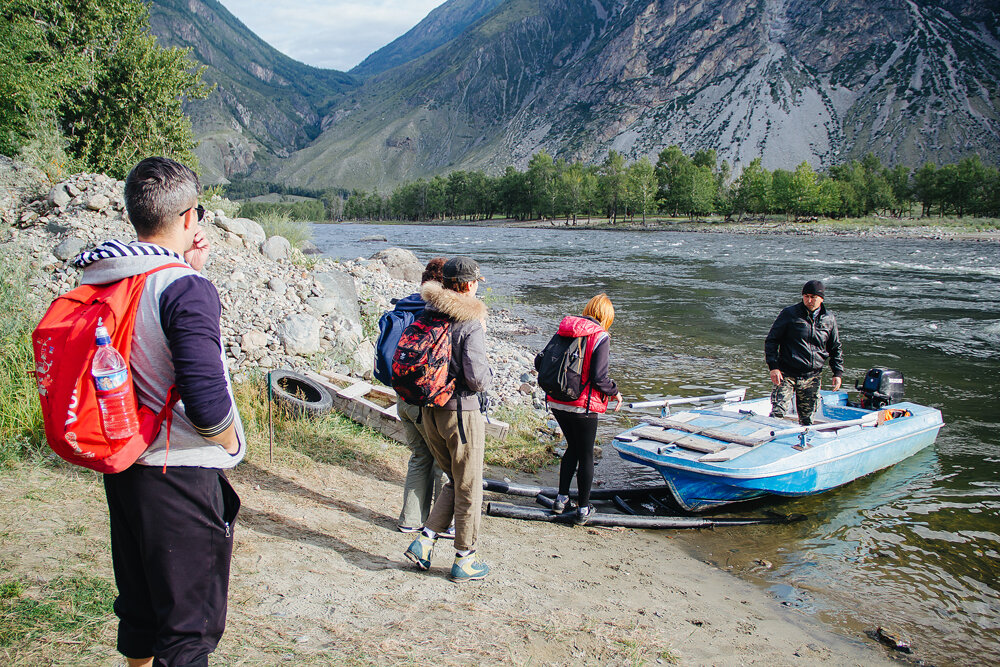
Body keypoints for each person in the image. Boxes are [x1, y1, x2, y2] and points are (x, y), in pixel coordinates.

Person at [73, 156, 244, 667]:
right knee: (188, 632)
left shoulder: (111, 276)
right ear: (190, 217)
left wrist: (189, 271)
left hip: (126, 464)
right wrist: (230, 441)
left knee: (142, 610)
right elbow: (206, 403)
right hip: (180, 473)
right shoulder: (183, 289)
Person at [404, 256, 492, 582]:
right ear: (469, 285)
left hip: (430, 412)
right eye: (477, 282)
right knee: (469, 486)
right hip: (462, 414)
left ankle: (424, 543)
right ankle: (465, 558)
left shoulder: (429, 313)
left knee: (455, 481)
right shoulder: (470, 322)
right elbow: (478, 378)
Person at [536, 293, 623, 525]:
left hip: (556, 400)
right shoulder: (600, 336)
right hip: (581, 404)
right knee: (585, 454)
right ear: (606, 316)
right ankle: (583, 509)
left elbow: (539, 361)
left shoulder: (565, 329)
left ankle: (560, 499)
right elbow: (599, 377)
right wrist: (615, 392)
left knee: (572, 448)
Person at [389, 258, 454, 536]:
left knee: (419, 456)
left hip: (403, 396)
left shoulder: (405, 306)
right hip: (425, 402)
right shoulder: (439, 314)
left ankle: (410, 519)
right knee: (444, 461)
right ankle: (443, 523)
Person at [765, 279, 844, 426]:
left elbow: (835, 347)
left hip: (812, 376)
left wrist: (837, 373)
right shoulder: (789, 314)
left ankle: (803, 444)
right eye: (806, 296)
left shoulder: (829, 319)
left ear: (821, 298)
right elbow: (772, 340)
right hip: (786, 373)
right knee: (777, 413)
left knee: (807, 419)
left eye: (813, 297)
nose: (809, 300)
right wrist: (773, 367)